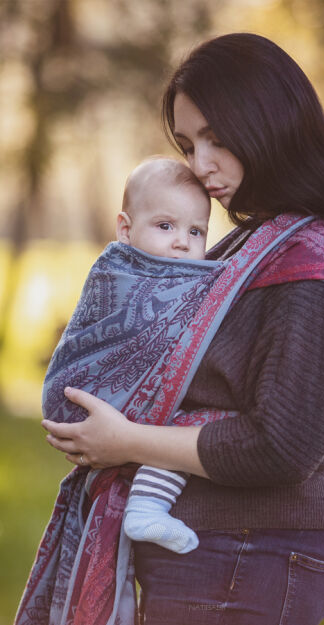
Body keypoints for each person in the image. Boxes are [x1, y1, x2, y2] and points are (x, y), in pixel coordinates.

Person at [19, 33, 324, 625]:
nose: (200, 167)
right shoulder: (265, 240)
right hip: (227, 548)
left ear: (271, 123)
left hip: (250, 551)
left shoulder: (315, 265)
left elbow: (284, 445)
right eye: (187, 143)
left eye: (216, 139)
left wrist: (126, 442)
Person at [44, 156, 213, 554]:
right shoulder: (116, 272)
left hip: (123, 416)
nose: (182, 242)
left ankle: (148, 505)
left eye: (196, 231)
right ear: (125, 228)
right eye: (165, 226)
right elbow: (100, 333)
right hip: (86, 399)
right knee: (202, 422)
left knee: (198, 426)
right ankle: (149, 504)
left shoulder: (196, 278)